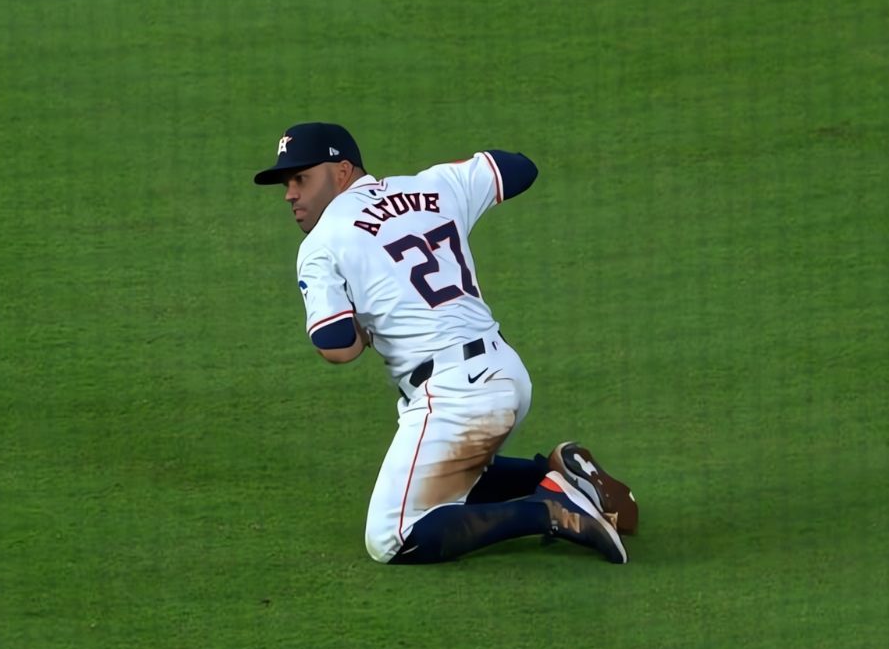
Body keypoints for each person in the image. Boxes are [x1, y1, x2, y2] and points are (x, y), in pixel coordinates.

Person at [254, 122, 639, 565]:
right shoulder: (433, 185)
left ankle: (554, 511)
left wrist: (365, 322)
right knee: (444, 479)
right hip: (506, 374)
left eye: (301, 178)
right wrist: (449, 180)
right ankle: (554, 473)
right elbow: (519, 169)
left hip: (454, 396)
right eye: (286, 183)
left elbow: (336, 345)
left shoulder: (322, 242)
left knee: (392, 537)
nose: (290, 194)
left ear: (342, 171)